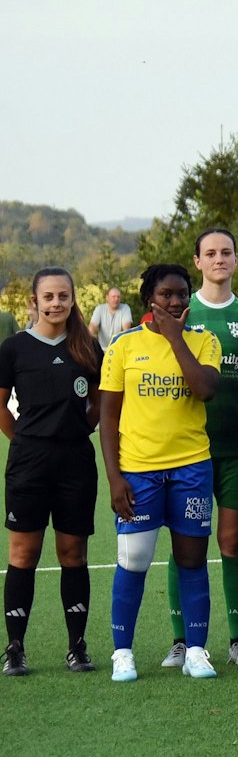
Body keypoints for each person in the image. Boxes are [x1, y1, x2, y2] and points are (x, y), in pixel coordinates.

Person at [98, 263, 221, 681]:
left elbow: (204, 390)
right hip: (139, 471)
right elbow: (108, 416)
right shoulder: (123, 345)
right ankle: (122, 653)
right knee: (133, 560)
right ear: (149, 297)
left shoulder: (204, 341)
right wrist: (115, 477)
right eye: (166, 294)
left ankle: (197, 650)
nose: (175, 301)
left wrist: (174, 338)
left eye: (182, 293)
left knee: (192, 559)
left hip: (191, 468)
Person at [168, 227, 238, 670]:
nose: (219, 258)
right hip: (189, 449)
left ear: (236, 261)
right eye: (211, 252)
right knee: (186, 544)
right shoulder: (183, 312)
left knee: (231, 542)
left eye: (227, 252)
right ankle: (181, 641)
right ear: (198, 260)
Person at [1, 269, 103, 675]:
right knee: (23, 554)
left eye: (63, 296)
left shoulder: (87, 347)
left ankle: (77, 647)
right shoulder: (14, 348)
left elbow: (98, 404)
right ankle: (15, 648)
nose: (56, 303)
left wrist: (79, 430)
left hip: (75, 462)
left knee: (72, 554)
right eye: (49, 296)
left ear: (73, 299)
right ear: (34, 301)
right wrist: (25, 439)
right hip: (29, 463)